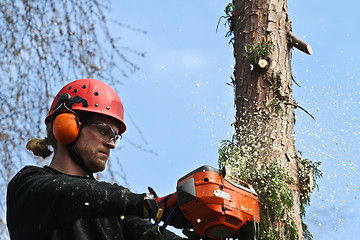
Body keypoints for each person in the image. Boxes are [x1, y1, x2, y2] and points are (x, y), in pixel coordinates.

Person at [6, 78, 189, 240]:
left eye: (114, 137)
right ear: (67, 125)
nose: (111, 144)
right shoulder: (28, 186)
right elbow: (71, 193)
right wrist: (151, 204)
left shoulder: (115, 212)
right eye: (104, 131)